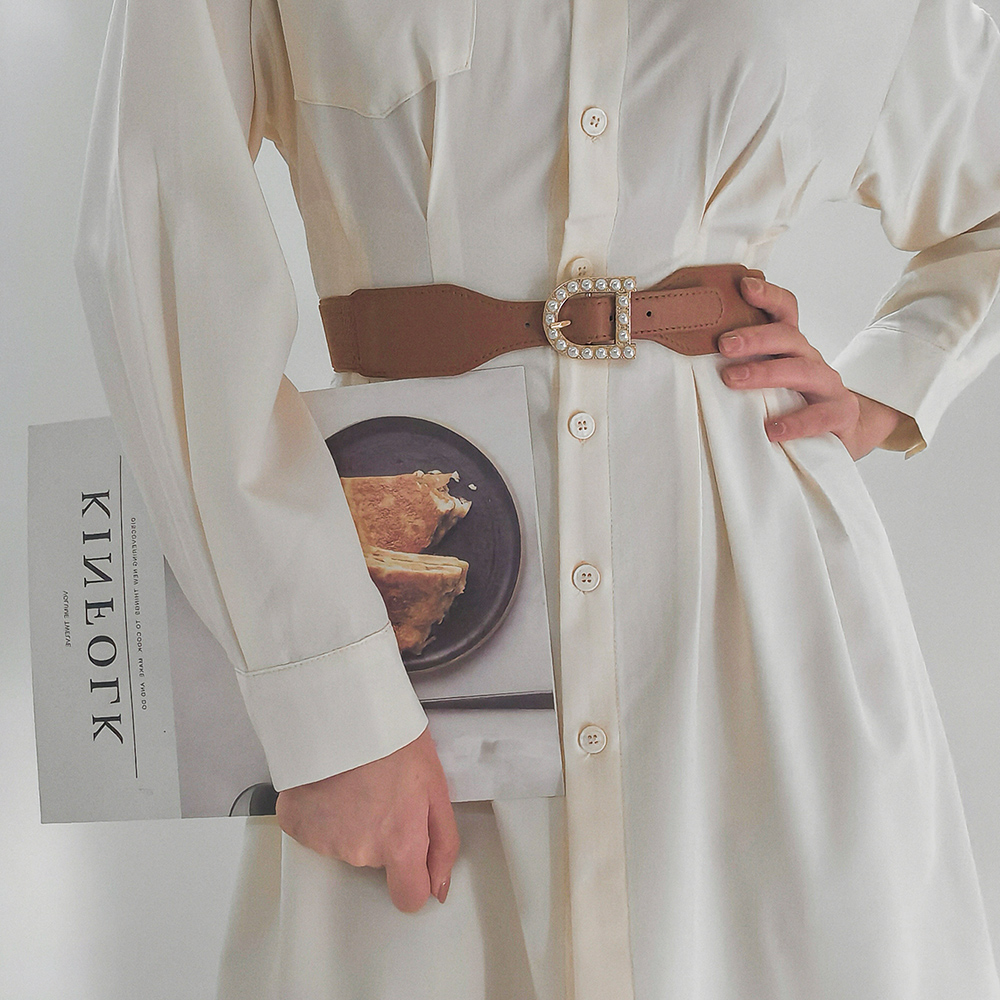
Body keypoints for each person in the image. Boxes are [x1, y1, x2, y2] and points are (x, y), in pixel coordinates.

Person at [75, 0, 1000, 997]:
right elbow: (156, 221)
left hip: (761, 623)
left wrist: (890, 382)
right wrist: (331, 711)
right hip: (408, 649)